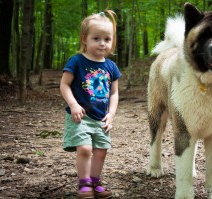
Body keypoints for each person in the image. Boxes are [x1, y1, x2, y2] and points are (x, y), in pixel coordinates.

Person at [60, 10, 121, 199]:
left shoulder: (111, 67)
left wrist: (111, 114)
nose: (102, 43)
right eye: (96, 38)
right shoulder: (77, 61)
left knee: (101, 151)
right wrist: (73, 104)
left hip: (101, 118)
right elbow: (64, 84)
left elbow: (114, 93)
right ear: (85, 39)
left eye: (107, 39)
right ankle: (84, 183)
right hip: (81, 117)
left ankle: (95, 180)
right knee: (85, 149)